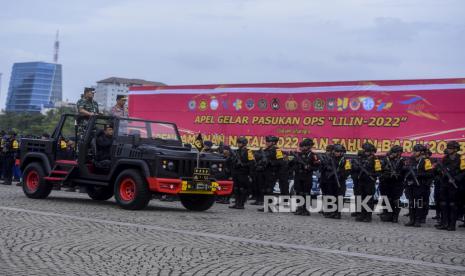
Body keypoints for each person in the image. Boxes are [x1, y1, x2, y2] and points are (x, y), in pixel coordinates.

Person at [434, 141, 465, 231]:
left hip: (454, 185)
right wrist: (440, 171)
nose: (448, 149)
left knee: (453, 205)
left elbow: (464, 172)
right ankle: (444, 223)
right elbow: (438, 169)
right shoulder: (445, 158)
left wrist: (455, 178)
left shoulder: (461, 158)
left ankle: (452, 225)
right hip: (444, 184)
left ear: (455, 149)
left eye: (450, 148)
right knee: (443, 203)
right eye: (448, 147)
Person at [404, 144, 434, 227]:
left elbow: (430, 174)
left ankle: (418, 220)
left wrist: (419, 174)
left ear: (421, 152)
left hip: (420, 185)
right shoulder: (411, 160)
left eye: (416, 151)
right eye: (413, 150)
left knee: (418, 203)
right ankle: (411, 219)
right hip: (410, 184)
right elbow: (405, 170)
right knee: (411, 202)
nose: (413, 152)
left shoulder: (426, 160)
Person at [289, 138, 320, 216]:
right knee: (298, 192)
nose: (301, 148)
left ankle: (305, 209)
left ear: (308, 147)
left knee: (306, 193)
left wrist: (309, 167)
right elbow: (290, 165)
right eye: (301, 146)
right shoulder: (298, 155)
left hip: (307, 176)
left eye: (303, 146)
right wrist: (292, 161)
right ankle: (299, 208)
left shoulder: (313, 155)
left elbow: (317, 166)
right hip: (298, 176)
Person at [352, 143, 381, 222]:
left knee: (368, 199)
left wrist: (372, 175)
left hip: (370, 181)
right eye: (365, 151)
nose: (366, 152)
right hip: (361, 181)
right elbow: (354, 168)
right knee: (361, 198)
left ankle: (368, 216)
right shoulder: (361, 158)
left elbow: (378, 171)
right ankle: (362, 214)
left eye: (368, 151)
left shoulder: (376, 159)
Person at [379, 145, 406, 223]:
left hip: (397, 183)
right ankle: (388, 214)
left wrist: (399, 174)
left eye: (400, 153)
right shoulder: (384, 160)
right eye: (398, 153)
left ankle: (395, 216)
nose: (399, 154)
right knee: (386, 199)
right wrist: (386, 174)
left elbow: (404, 172)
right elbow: (379, 171)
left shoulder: (402, 161)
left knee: (396, 200)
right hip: (385, 183)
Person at [258, 136, 284, 212]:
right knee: (264, 189)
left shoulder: (277, 150)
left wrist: (271, 162)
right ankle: (266, 206)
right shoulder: (265, 150)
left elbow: (280, 161)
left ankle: (271, 206)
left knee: (269, 189)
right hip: (265, 171)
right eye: (267, 141)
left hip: (272, 172)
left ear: (273, 142)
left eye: (268, 141)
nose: (267, 143)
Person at [229, 137, 255, 209]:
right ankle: (237, 203)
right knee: (236, 188)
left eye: (240, 143)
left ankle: (241, 204)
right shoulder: (236, 151)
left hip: (243, 172)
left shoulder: (248, 151)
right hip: (236, 172)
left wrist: (244, 165)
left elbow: (252, 162)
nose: (238, 144)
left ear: (244, 143)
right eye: (238, 143)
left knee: (242, 188)